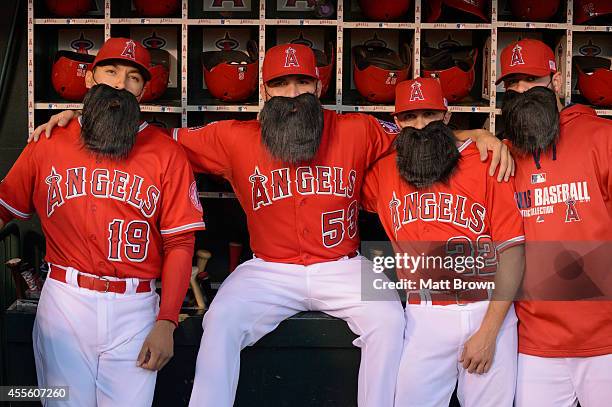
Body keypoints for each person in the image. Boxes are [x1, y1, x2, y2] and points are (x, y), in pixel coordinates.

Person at [28, 43, 513, 407]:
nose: (293, 93)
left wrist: (474, 133)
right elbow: (151, 137)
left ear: (319, 88)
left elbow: (419, 130)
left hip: (341, 265)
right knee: (219, 322)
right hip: (268, 268)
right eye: (280, 85)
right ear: (265, 91)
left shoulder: (358, 128)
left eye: (302, 83)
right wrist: (83, 118)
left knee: (388, 321)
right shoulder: (233, 138)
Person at [0, 37, 205, 406]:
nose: (120, 84)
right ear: (90, 79)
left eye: (133, 78)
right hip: (65, 301)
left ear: (143, 91)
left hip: (136, 307)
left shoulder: (166, 153)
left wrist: (167, 320)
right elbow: (4, 208)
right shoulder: (49, 140)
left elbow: (179, 243)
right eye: (110, 71)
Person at [361, 78, 525, 406]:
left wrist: (489, 332)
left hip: (486, 310)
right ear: (397, 122)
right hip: (425, 318)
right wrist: (474, 132)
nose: (420, 125)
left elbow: (512, 251)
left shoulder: (485, 161)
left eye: (429, 115)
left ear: (446, 117)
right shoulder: (382, 173)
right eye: (410, 117)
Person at [497, 38, 612, 407]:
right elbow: (429, 136)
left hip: (605, 338)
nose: (520, 90)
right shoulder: (505, 155)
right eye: (512, 83)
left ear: (557, 80)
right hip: (536, 343)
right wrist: (479, 135)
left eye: (530, 80)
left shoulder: (601, 138)